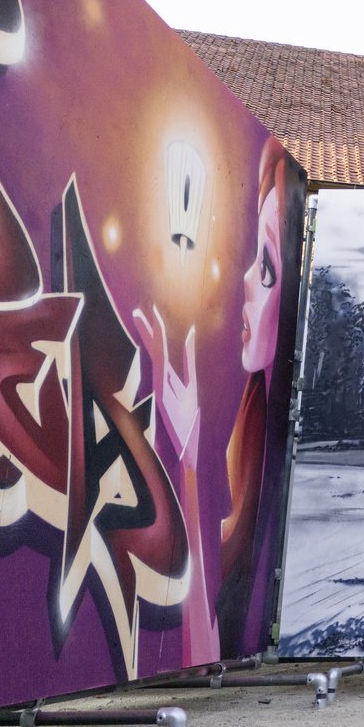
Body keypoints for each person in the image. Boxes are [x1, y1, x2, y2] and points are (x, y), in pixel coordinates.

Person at [135, 135, 296, 662]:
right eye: (254, 259)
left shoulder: (270, 453)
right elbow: (209, 645)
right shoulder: (250, 437)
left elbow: (206, 643)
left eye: (267, 267)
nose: (248, 280)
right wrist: (185, 452)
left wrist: (187, 460)